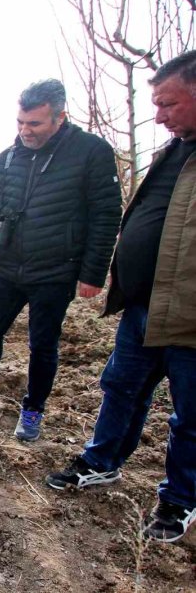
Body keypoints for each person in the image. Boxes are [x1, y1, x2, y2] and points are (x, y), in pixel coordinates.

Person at [46, 51, 196, 544]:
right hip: (144, 305)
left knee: (190, 415)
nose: (159, 116)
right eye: (154, 104)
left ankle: (179, 501)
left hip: (191, 316)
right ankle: (101, 461)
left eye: (168, 103)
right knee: (121, 388)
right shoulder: (174, 151)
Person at [0, 79, 122, 442]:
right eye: (20, 123)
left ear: (60, 118)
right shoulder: (8, 158)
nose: (25, 131)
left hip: (56, 272)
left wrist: (92, 272)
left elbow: (105, 215)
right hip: (8, 270)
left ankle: (33, 409)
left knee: (42, 344)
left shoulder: (91, 152)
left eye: (35, 124)